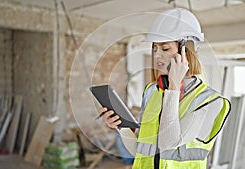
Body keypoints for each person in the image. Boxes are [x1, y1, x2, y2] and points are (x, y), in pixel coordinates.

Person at [98, 8, 231, 169]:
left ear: (186, 51)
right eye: (155, 49)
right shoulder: (152, 91)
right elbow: (139, 152)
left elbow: (168, 143)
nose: (157, 55)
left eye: (165, 48)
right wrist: (121, 128)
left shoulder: (211, 102)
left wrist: (174, 87)